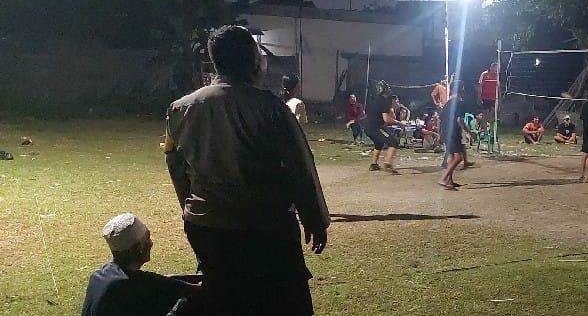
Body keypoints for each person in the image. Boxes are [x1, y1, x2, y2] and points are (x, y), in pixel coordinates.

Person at [165, 26, 329, 316]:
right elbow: (300, 167)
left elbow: (176, 165)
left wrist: (191, 208)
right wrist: (314, 219)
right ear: (254, 62)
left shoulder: (180, 109)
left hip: (207, 228)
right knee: (286, 301)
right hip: (265, 228)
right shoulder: (271, 109)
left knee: (224, 297)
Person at [81, 213, 199, 316]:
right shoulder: (133, 285)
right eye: (147, 238)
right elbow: (194, 291)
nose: (151, 243)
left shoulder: (98, 276)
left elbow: (164, 282)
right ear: (139, 248)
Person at [365, 81, 402, 174]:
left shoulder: (376, 99)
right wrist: (399, 123)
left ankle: (374, 164)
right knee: (393, 142)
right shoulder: (384, 101)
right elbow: (386, 119)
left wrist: (392, 110)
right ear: (385, 90)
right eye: (387, 88)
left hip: (368, 127)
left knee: (379, 143)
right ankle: (388, 164)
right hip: (375, 127)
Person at [439, 84, 469, 190]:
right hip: (453, 132)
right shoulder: (459, 103)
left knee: (452, 157)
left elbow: (440, 120)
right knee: (458, 158)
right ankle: (443, 178)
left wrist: (440, 133)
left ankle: (449, 181)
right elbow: (459, 120)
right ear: (461, 91)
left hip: (446, 131)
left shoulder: (447, 103)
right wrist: (469, 132)